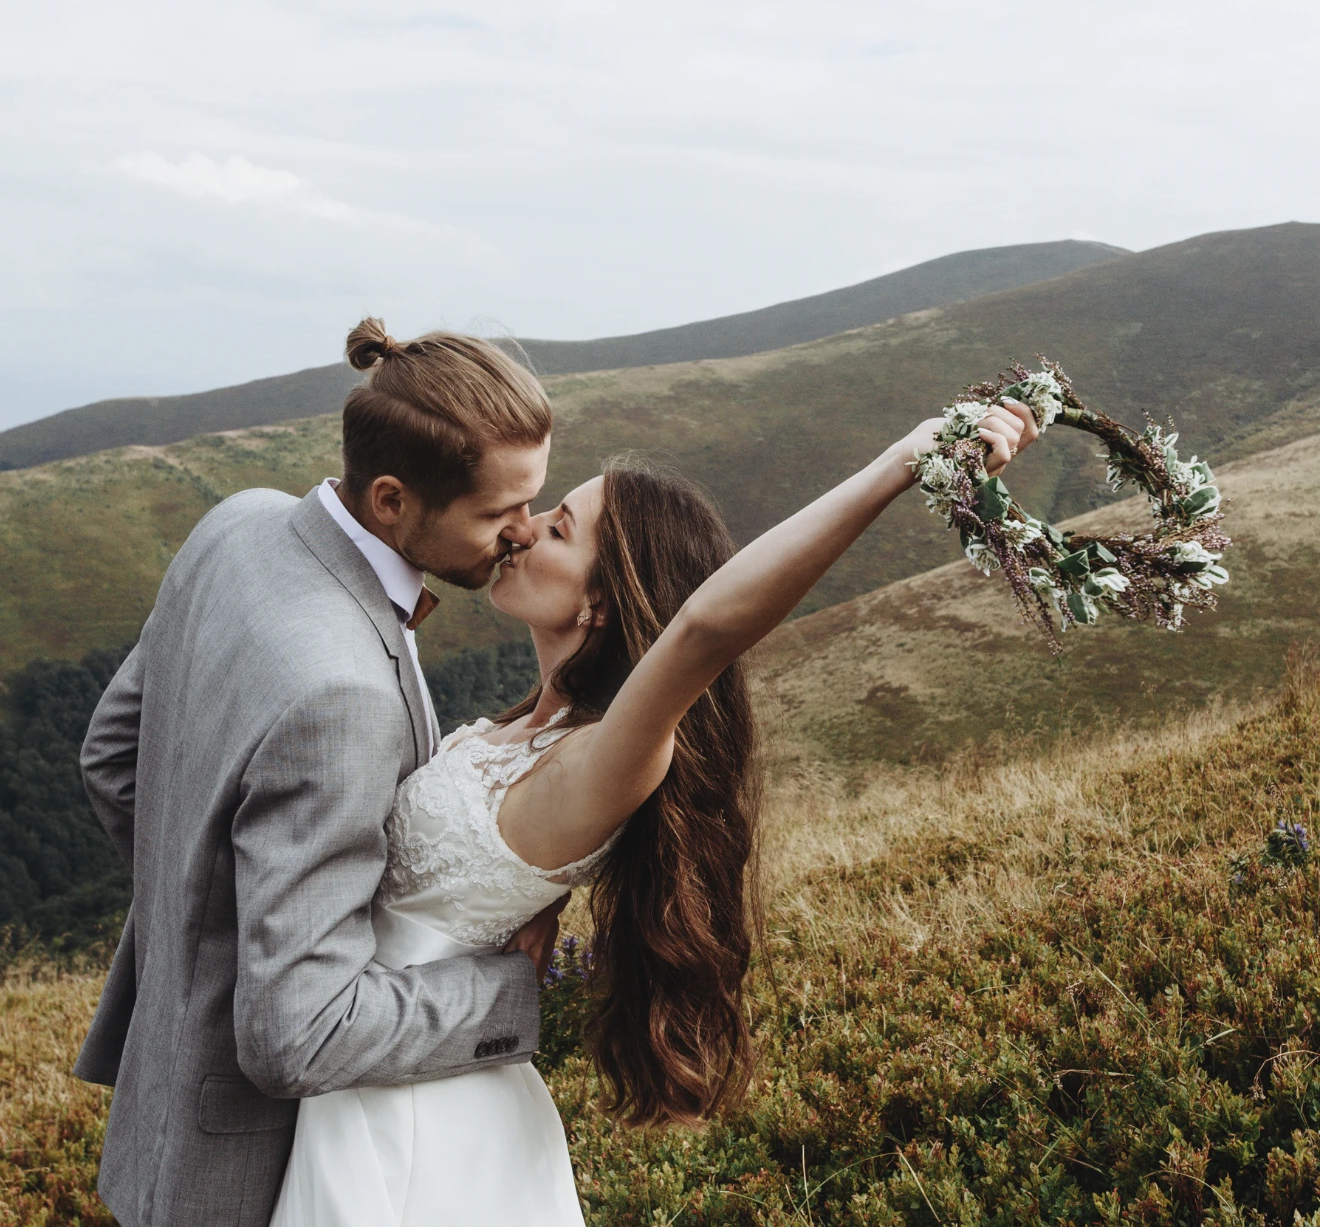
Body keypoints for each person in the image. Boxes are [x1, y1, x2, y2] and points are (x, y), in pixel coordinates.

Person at [268, 327, 1039, 1226]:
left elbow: (706, 629)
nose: (521, 528)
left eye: (557, 528)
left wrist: (903, 462)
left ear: (602, 599)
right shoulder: (514, 732)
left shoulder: (608, 755)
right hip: (373, 1062)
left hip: (419, 1120)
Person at [74, 319, 571, 1227]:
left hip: (163, 1121)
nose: (525, 532)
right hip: (258, 1171)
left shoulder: (238, 522)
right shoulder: (342, 697)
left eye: (534, 500)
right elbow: (296, 1033)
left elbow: (111, 757)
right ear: (392, 500)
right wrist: (513, 992)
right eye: (499, 511)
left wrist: (205, 924)